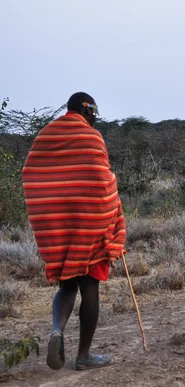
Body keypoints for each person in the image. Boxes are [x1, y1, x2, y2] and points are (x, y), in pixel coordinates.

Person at [22, 92, 127, 371]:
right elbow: (102, 180)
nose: (95, 118)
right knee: (89, 289)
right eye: (94, 113)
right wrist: (113, 199)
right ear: (87, 109)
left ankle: (57, 331)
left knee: (67, 284)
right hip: (89, 227)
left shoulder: (46, 134)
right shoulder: (92, 137)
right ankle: (84, 356)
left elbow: (30, 173)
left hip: (59, 227)